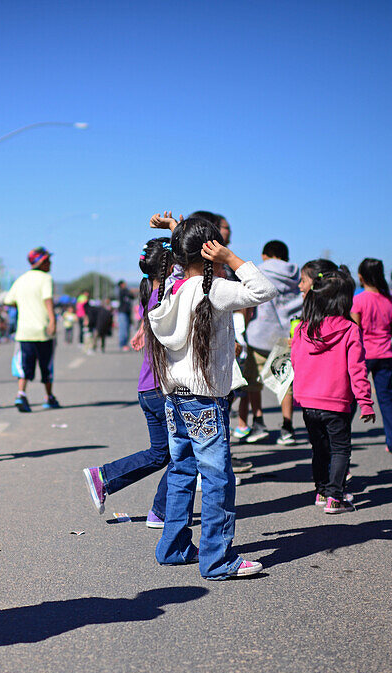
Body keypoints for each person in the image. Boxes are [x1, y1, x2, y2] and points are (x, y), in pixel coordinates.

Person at [147, 217, 277, 580]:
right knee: (218, 477)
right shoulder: (214, 289)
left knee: (182, 470)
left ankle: (173, 547)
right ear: (210, 251)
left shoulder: (171, 289)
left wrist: (179, 228)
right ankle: (217, 559)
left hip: (174, 397)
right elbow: (263, 290)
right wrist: (231, 257)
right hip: (203, 399)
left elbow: (187, 259)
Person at [82, 238, 174, 528]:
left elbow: (149, 321)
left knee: (162, 454)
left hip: (147, 388)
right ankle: (160, 511)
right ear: (171, 266)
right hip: (162, 389)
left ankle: (104, 477)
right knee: (185, 457)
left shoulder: (150, 293)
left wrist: (140, 330)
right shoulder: (169, 295)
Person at [291, 269, 375, 513]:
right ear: (343, 300)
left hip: (308, 403)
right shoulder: (349, 329)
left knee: (319, 449)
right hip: (336, 403)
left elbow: (296, 361)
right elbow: (357, 370)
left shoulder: (302, 329)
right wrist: (365, 402)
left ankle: (321, 492)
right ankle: (335, 497)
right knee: (340, 449)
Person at [236, 240, 303, 445]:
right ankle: (287, 428)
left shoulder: (259, 270)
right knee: (285, 382)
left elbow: (247, 304)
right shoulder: (297, 274)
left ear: (266, 254)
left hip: (259, 334)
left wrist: (243, 330)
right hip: (286, 336)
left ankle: (259, 423)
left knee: (254, 383)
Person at [351, 258, 392, 453]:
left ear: (360, 276)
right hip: (385, 354)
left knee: (352, 397)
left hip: (364, 355)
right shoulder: (391, 300)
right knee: (386, 400)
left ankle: (341, 438)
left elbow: (355, 330)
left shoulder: (358, 300)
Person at [3, 246, 59, 412]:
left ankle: (21, 394)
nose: (50, 263)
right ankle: (48, 397)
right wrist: (53, 321)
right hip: (43, 330)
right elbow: (48, 300)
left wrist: (24, 304)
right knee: (46, 365)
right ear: (41, 262)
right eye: (48, 260)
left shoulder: (21, 279)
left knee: (24, 365)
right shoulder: (46, 278)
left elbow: (8, 300)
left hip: (24, 331)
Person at [116, 280, 134, 350]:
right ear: (121, 285)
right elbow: (130, 294)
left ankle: (125, 344)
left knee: (127, 329)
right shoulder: (122, 291)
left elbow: (132, 296)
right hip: (122, 312)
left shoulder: (125, 292)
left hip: (127, 312)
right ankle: (123, 344)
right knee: (123, 329)